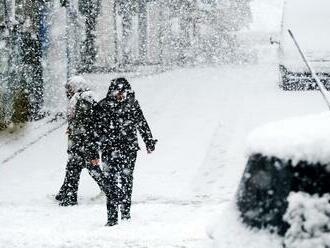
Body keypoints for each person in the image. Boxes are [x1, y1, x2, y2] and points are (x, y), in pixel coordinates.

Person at [96, 77, 157, 226]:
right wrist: (94, 148)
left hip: (128, 150)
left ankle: (125, 212)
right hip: (109, 150)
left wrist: (148, 141)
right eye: (118, 91)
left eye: (123, 91)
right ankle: (112, 217)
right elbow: (95, 130)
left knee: (126, 180)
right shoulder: (103, 106)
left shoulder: (132, 104)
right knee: (110, 182)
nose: (120, 95)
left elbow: (142, 123)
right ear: (112, 91)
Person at [55, 76, 114, 208]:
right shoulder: (80, 99)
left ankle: (109, 192)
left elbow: (87, 126)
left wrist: (91, 150)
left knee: (80, 169)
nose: (67, 92)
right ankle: (66, 194)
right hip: (81, 143)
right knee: (75, 169)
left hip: (83, 144)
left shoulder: (83, 100)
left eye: (69, 88)